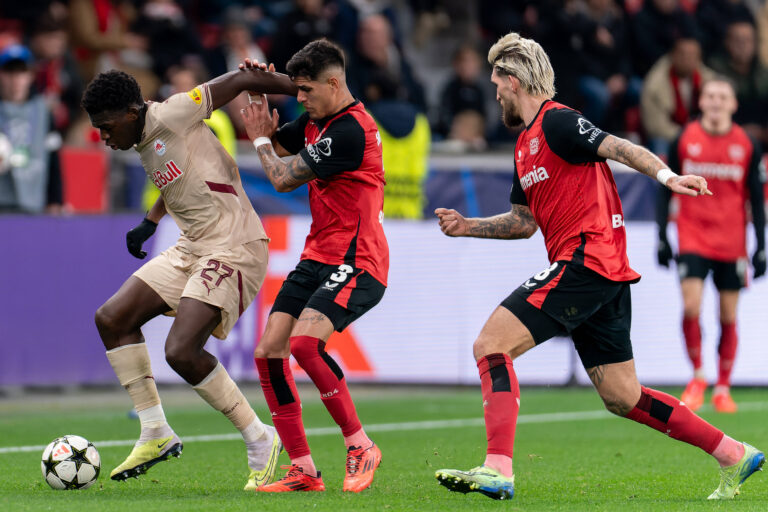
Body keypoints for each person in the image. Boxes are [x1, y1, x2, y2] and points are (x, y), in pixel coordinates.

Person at [433, 32, 764, 501]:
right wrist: (469, 226)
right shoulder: (524, 144)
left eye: (497, 83)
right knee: (622, 396)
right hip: (600, 273)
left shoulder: (559, 122)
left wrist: (668, 177)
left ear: (513, 80)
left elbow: (621, 148)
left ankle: (497, 468)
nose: (494, 92)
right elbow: (523, 223)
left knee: (490, 346)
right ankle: (733, 452)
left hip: (586, 261)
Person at [82, 63, 297, 489]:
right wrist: (150, 219)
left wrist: (301, 88)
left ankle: (261, 437)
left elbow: (238, 80)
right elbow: (180, 176)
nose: (104, 139)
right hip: (192, 247)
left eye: (107, 128)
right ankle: (155, 431)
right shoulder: (144, 137)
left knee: (181, 351)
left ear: (130, 112)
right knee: (112, 319)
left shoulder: (174, 112)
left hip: (235, 246)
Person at [239, 39, 388, 493]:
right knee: (268, 352)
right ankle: (303, 468)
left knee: (305, 346)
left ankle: (361, 444)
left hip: (358, 259)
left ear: (334, 83)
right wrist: (257, 84)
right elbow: (277, 136)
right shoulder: (317, 120)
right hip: (317, 256)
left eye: (305, 90)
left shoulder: (349, 131)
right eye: (296, 91)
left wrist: (261, 138)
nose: (298, 99)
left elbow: (282, 176)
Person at [657, 78, 765, 414]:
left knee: (727, 315)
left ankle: (723, 387)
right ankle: (698, 377)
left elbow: (757, 200)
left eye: (723, 96)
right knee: (691, 306)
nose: (716, 102)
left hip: (732, 241)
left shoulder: (747, 144)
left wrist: (761, 245)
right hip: (693, 236)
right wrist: (663, 235)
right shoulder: (684, 139)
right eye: (711, 96)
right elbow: (665, 188)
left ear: (733, 105)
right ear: (701, 102)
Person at [0, 44, 62, 213]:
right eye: (9, 72)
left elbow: (53, 155)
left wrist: (56, 199)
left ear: (30, 75)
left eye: (21, 72)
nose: (15, 79)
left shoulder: (43, 111)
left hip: (33, 201)